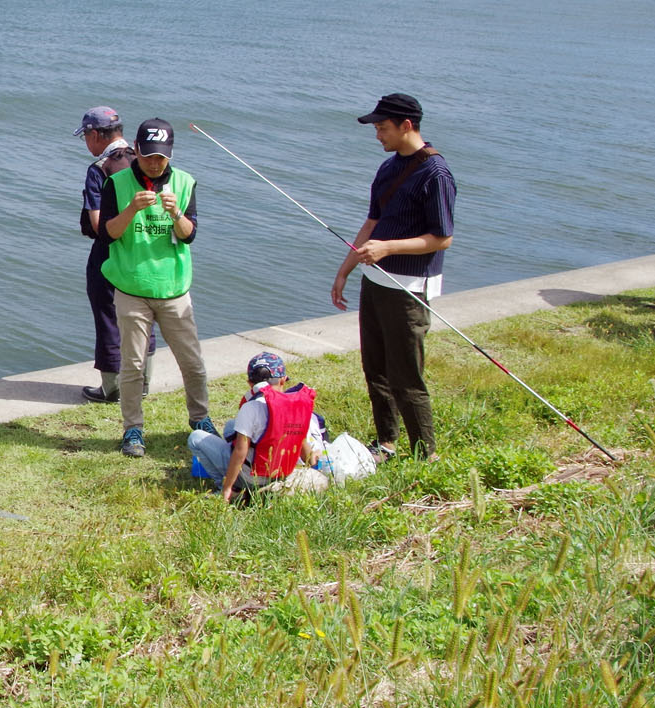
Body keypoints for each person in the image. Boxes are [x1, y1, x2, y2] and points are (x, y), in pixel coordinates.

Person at [330, 92, 455, 462]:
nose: (377, 135)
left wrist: (388, 248)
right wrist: (345, 270)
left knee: (406, 376)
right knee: (376, 369)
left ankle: (424, 454)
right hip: (376, 283)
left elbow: (442, 238)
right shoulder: (387, 168)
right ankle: (387, 443)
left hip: (409, 288)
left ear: (406, 126)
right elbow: (372, 222)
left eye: (382, 128)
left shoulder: (436, 174)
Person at [97, 118, 214, 457]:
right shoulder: (116, 183)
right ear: (136, 150)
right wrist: (132, 208)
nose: (154, 162)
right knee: (132, 365)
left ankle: (200, 418)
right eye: (148, 156)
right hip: (131, 289)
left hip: (174, 290)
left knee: (192, 362)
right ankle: (132, 429)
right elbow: (107, 234)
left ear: (170, 155)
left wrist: (177, 214)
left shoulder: (185, 182)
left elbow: (190, 234)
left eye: (160, 157)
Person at [74, 106, 155, 404]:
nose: (86, 142)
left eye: (86, 136)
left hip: (109, 256)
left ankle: (112, 389)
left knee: (109, 317)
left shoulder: (100, 169)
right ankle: (144, 383)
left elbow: (97, 224)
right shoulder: (146, 162)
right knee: (144, 316)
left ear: (95, 135)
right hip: (145, 252)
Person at [188, 352, 320, 502]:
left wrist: (227, 487)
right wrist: (313, 460)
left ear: (250, 384)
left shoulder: (251, 408)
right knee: (231, 426)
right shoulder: (295, 408)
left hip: (252, 479)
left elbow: (240, 452)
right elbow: (304, 450)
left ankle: (231, 490)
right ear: (283, 380)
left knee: (196, 437)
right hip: (282, 475)